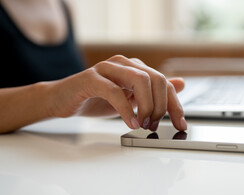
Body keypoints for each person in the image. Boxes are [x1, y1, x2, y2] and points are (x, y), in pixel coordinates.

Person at [0, 0, 188, 134]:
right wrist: (54, 96)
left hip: (64, 156)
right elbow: (60, 93)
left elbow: (71, 91)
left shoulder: (64, 6)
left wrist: (91, 98)